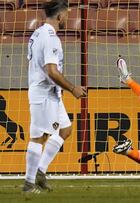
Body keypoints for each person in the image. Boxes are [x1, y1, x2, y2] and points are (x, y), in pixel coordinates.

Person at [23, 0, 87, 193]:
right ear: (60, 16)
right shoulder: (50, 37)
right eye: (66, 15)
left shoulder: (38, 32)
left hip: (52, 93)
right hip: (43, 94)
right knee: (39, 137)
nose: (68, 18)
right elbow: (51, 71)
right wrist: (73, 88)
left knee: (65, 130)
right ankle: (28, 183)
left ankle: (40, 172)